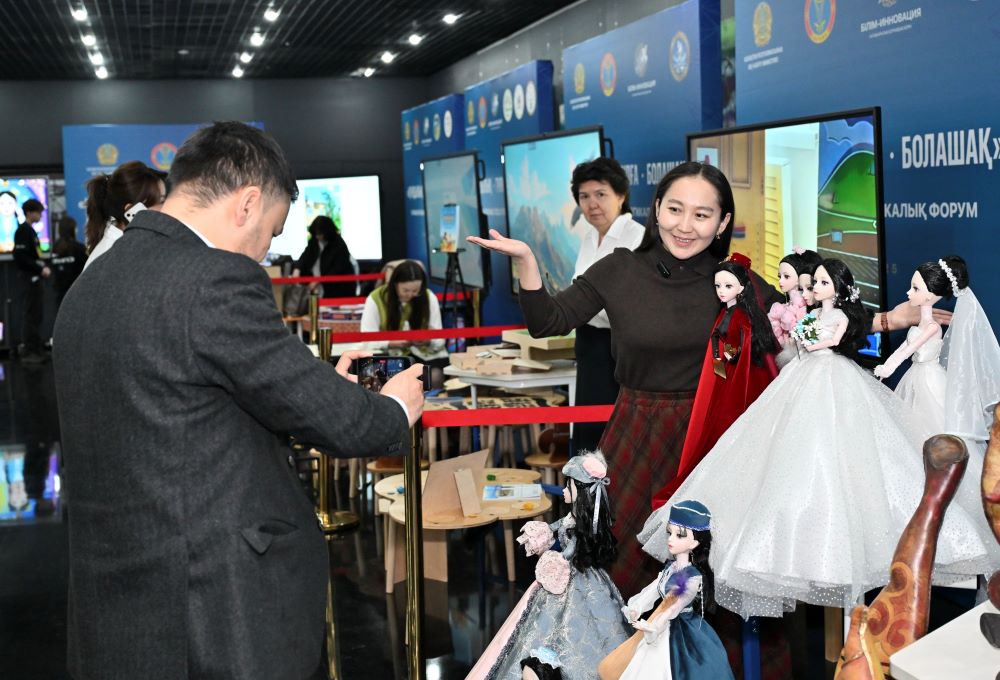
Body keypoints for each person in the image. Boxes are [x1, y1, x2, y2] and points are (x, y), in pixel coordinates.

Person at [468, 161, 949, 595]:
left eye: (702, 215)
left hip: (717, 439)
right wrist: (526, 261)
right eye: (675, 209)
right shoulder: (619, 269)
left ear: (722, 223)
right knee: (620, 576)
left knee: (709, 578)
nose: (685, 225)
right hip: (636, 435)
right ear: (657, 209)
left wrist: (890, 319)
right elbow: (548, 321)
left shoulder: (735, 281)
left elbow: (806, 327)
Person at [52, 121, 426, 680]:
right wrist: (395, 407)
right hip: (213, 610)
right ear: (248, 204)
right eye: (272, 232)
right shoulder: (213, 279)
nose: (265, 251)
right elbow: (348, 425)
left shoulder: (95, 279)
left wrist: (312, 387)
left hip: (119, 608)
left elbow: (179, 407)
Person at [639, 259, 998, 619]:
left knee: (858, 456)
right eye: (814, 283)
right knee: (791, 453)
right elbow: (799, 337)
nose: (814, 289)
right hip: (803, 378)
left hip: (836, 376)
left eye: (822, 283)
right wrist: (804, 335)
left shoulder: (845, 317)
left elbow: (835, 337)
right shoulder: (804, 313)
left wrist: (820, 339)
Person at [467, 452, 630, 679]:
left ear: (580, 490)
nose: (563, 490)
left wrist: (560, 559)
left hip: (576, 577)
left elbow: (572, 548)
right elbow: (557, 526)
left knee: (586, 622)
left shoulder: (581, 524)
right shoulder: (571, 518)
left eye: (568, 486)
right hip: (565, 576)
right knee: (544, 619)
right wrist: (543, 533)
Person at [606, 500, 733, 680]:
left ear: (694, 543)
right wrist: (637, 607)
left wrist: (654, 626)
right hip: (660, 622)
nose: (671, 539)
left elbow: (675, 605)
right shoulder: (671, 568)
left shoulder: (692, 577)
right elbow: (654, 589)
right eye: (670, 532)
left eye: (679, 535)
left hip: (682, 632)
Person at [569, 158, 645, 454]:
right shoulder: (589, 237)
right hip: (589, 347)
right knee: (587, 441)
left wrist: (578, 306)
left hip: (618, 354)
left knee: (614, 445)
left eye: (601, 194)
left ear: (621, 196)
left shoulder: (637, 239)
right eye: (584, 196)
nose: (592, 204)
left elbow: (632, 305)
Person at [82, 160, 165, 269]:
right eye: (161, 201)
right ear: (132, 210)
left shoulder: (133, 245)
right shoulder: (111, 257)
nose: (166, 207)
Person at [359, 258, 445, 359]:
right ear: (395, 284)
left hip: (423, 355)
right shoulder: (376, 298)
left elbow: (440, 339)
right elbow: (367, 340)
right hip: (388, 356)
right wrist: (390, 343)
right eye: (406, 290)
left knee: (435, 368)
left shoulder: (428, 296)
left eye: (416, 290)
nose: (410, 295)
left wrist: (428, 341)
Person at [12, 198, 50, 364]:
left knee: (36, 314)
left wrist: (41, 267)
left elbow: (34, 255)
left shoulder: (30, 231)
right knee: (30, 314)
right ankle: (29, 351)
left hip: (35, 278)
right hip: (29, 279)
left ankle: (36, 349)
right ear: (29, 213)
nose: (40, 215)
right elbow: (20, 257)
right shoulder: (22, 231)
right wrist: (39, 269)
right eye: (38, 212)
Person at [291, 215, 356, 298]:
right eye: (316, 234)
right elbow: (304, 257)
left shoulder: (339, 245)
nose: (317, 237)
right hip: (318, 288)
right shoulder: (314, 241)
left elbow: (337, 269)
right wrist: (297, 269)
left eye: (320, 234)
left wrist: (318, 280)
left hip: (338, 289)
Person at [50, 215, 88, 308]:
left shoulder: (55, 248)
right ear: (73, 230)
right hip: (77, 293)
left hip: (59, 295)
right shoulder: (79, 248)